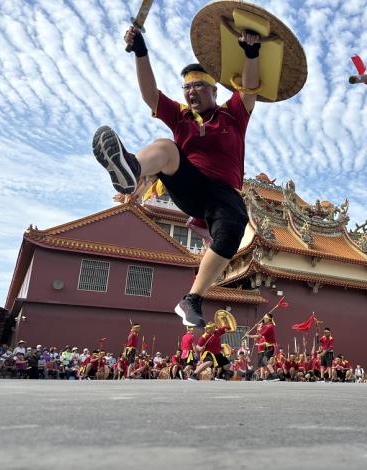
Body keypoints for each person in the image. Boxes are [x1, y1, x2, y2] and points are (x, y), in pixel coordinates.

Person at [93, 26, 262, 328]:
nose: (191, 92)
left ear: (214, 91)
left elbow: (249, 89)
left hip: (224, 194)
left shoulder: (233, 115)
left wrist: (251, 52)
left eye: (198, 86)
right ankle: (131, 170)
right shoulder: (181, 117)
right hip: (190, 186)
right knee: (166, 146)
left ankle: (193, 298)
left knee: (233, 229)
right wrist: (140, 52)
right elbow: (150, 95)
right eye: (187, 88)